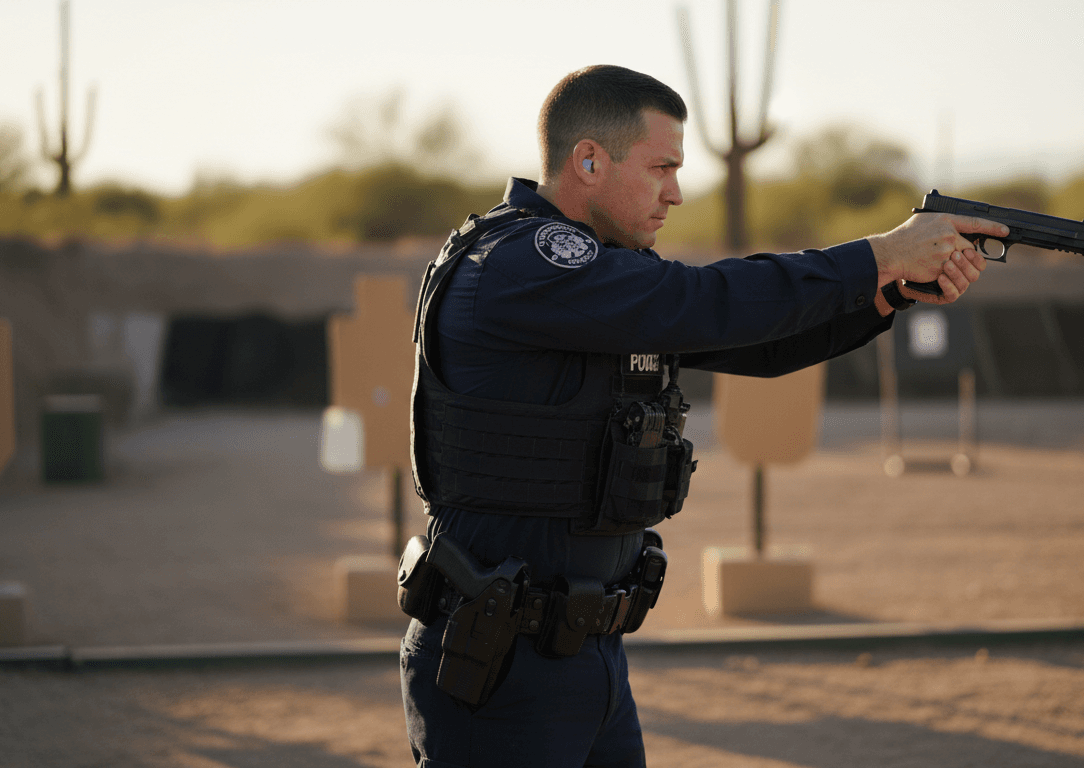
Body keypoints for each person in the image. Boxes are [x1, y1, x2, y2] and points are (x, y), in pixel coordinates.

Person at [398, 64, 1001, 768]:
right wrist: (877, 253)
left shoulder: (598, 278)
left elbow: (757, 341)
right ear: (588, 159)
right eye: (661, 167)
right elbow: (705, 300)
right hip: (499, 667)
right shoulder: (524, 260)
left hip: (588, 660)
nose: (675, 193)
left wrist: (889, 290)